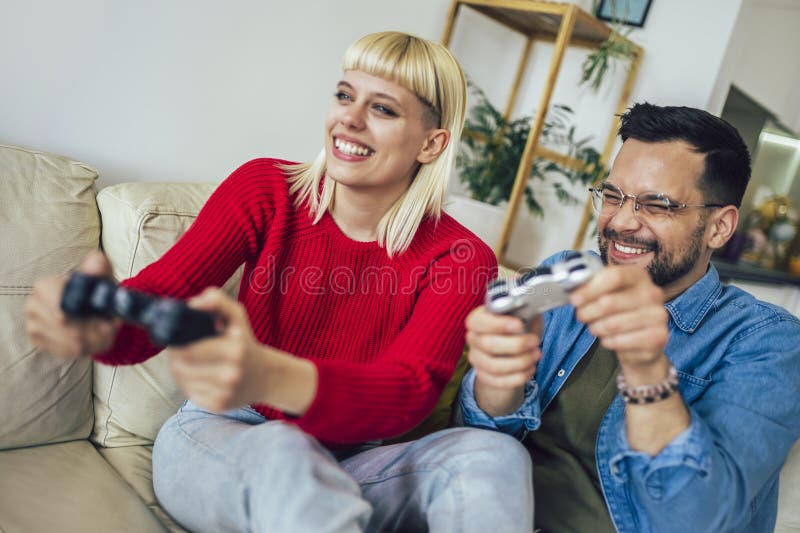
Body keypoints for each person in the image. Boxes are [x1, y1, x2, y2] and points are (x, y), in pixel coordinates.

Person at [24, 31, 534, 532]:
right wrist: (104, 325)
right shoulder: (265, 190)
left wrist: (269, 374)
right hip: (227, 437)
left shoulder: (460, 256)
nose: (349, 119)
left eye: (383, 109)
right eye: (344, 95)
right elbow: (159, 296)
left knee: (494, 455)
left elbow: (408, 392)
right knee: (285, 450)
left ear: (431, 143)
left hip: (352, 464)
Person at [458, 103, 800, 532]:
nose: (620, 222)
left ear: (719, 227)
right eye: (614, 196)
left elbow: (701, 519)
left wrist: (645, 368)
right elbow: (476, 437)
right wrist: (499, 376)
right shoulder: (562, 274)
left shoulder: (768, 342)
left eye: (657, 205)